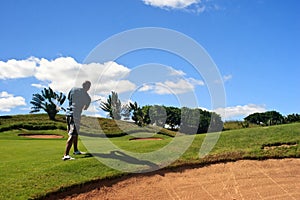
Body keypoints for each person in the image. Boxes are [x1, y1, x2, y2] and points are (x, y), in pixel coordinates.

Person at [62, 81, 91, 161]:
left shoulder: (73, 89)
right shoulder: (87, 96)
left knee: (76, 133)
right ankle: (66, 155)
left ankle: (75, 150)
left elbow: (69, 99)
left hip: (68, 114)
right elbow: (85, 108)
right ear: (88, 87)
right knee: (72, 134)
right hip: (75, 115)